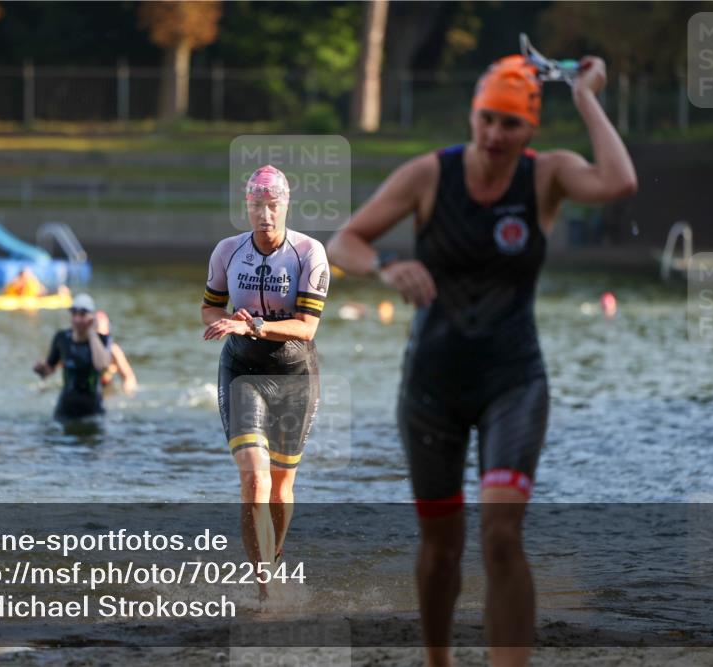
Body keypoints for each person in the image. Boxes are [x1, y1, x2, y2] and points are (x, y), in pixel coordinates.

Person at [327, 55, 636, 665]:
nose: (496, 135)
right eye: (487, 120)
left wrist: (585, 97)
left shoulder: (547, 176)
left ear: (530, 131)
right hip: (431, 390)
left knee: (500, 537)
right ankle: (437, 660)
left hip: (512, 382)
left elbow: (619, 181)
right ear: (472, 115)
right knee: (441, 547)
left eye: (511, 125)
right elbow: (345, 240)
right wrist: (388, 266)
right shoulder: (427, 176)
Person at [202, 165, 330, 598]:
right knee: (253, 480)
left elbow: (307, 327)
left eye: (273, 205)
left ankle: (272, 559)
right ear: (247, 207)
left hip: (295, 374)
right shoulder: (226, 252)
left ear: (286, 205)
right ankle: (264, 589)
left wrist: (254, 325)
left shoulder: (309, 253)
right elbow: (209, 309)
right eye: (257, 206)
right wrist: (225, 323)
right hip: (242, 372)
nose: (265, 215)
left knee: (279, 485)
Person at [33, 293, 113, 420]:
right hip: (66, 406)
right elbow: (50, 368)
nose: (77, 319)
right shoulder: (62, 338)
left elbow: (102, 365)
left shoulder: (102, 340)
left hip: (93, 408)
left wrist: (92, 333)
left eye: (82, 315)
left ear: (91, 317)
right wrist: (41, 369)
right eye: (74, 314)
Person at [95, 310, 138, 396]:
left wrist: (126, 392)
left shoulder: (113, 351)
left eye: (102, 336)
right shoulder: (83, 348)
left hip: (106, 390)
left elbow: (129, 378)